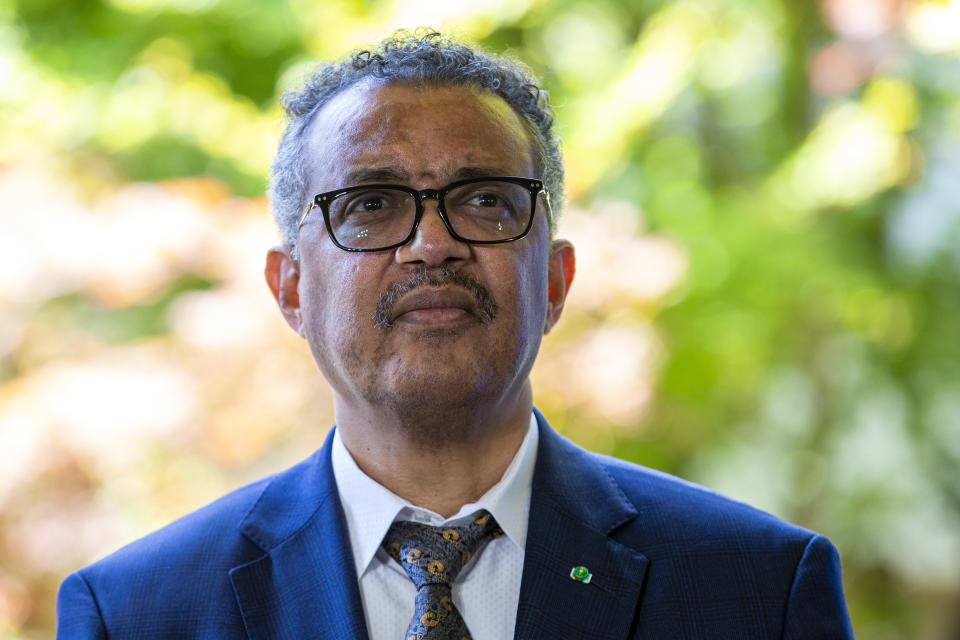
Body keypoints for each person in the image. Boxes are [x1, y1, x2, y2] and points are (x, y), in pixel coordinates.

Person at [56, 30, 854, 639]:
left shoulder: (758, 589)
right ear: (290, 287)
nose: (431, 243)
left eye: (484, 201)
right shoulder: (134, 613)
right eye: (371, 204)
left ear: (554, 280)